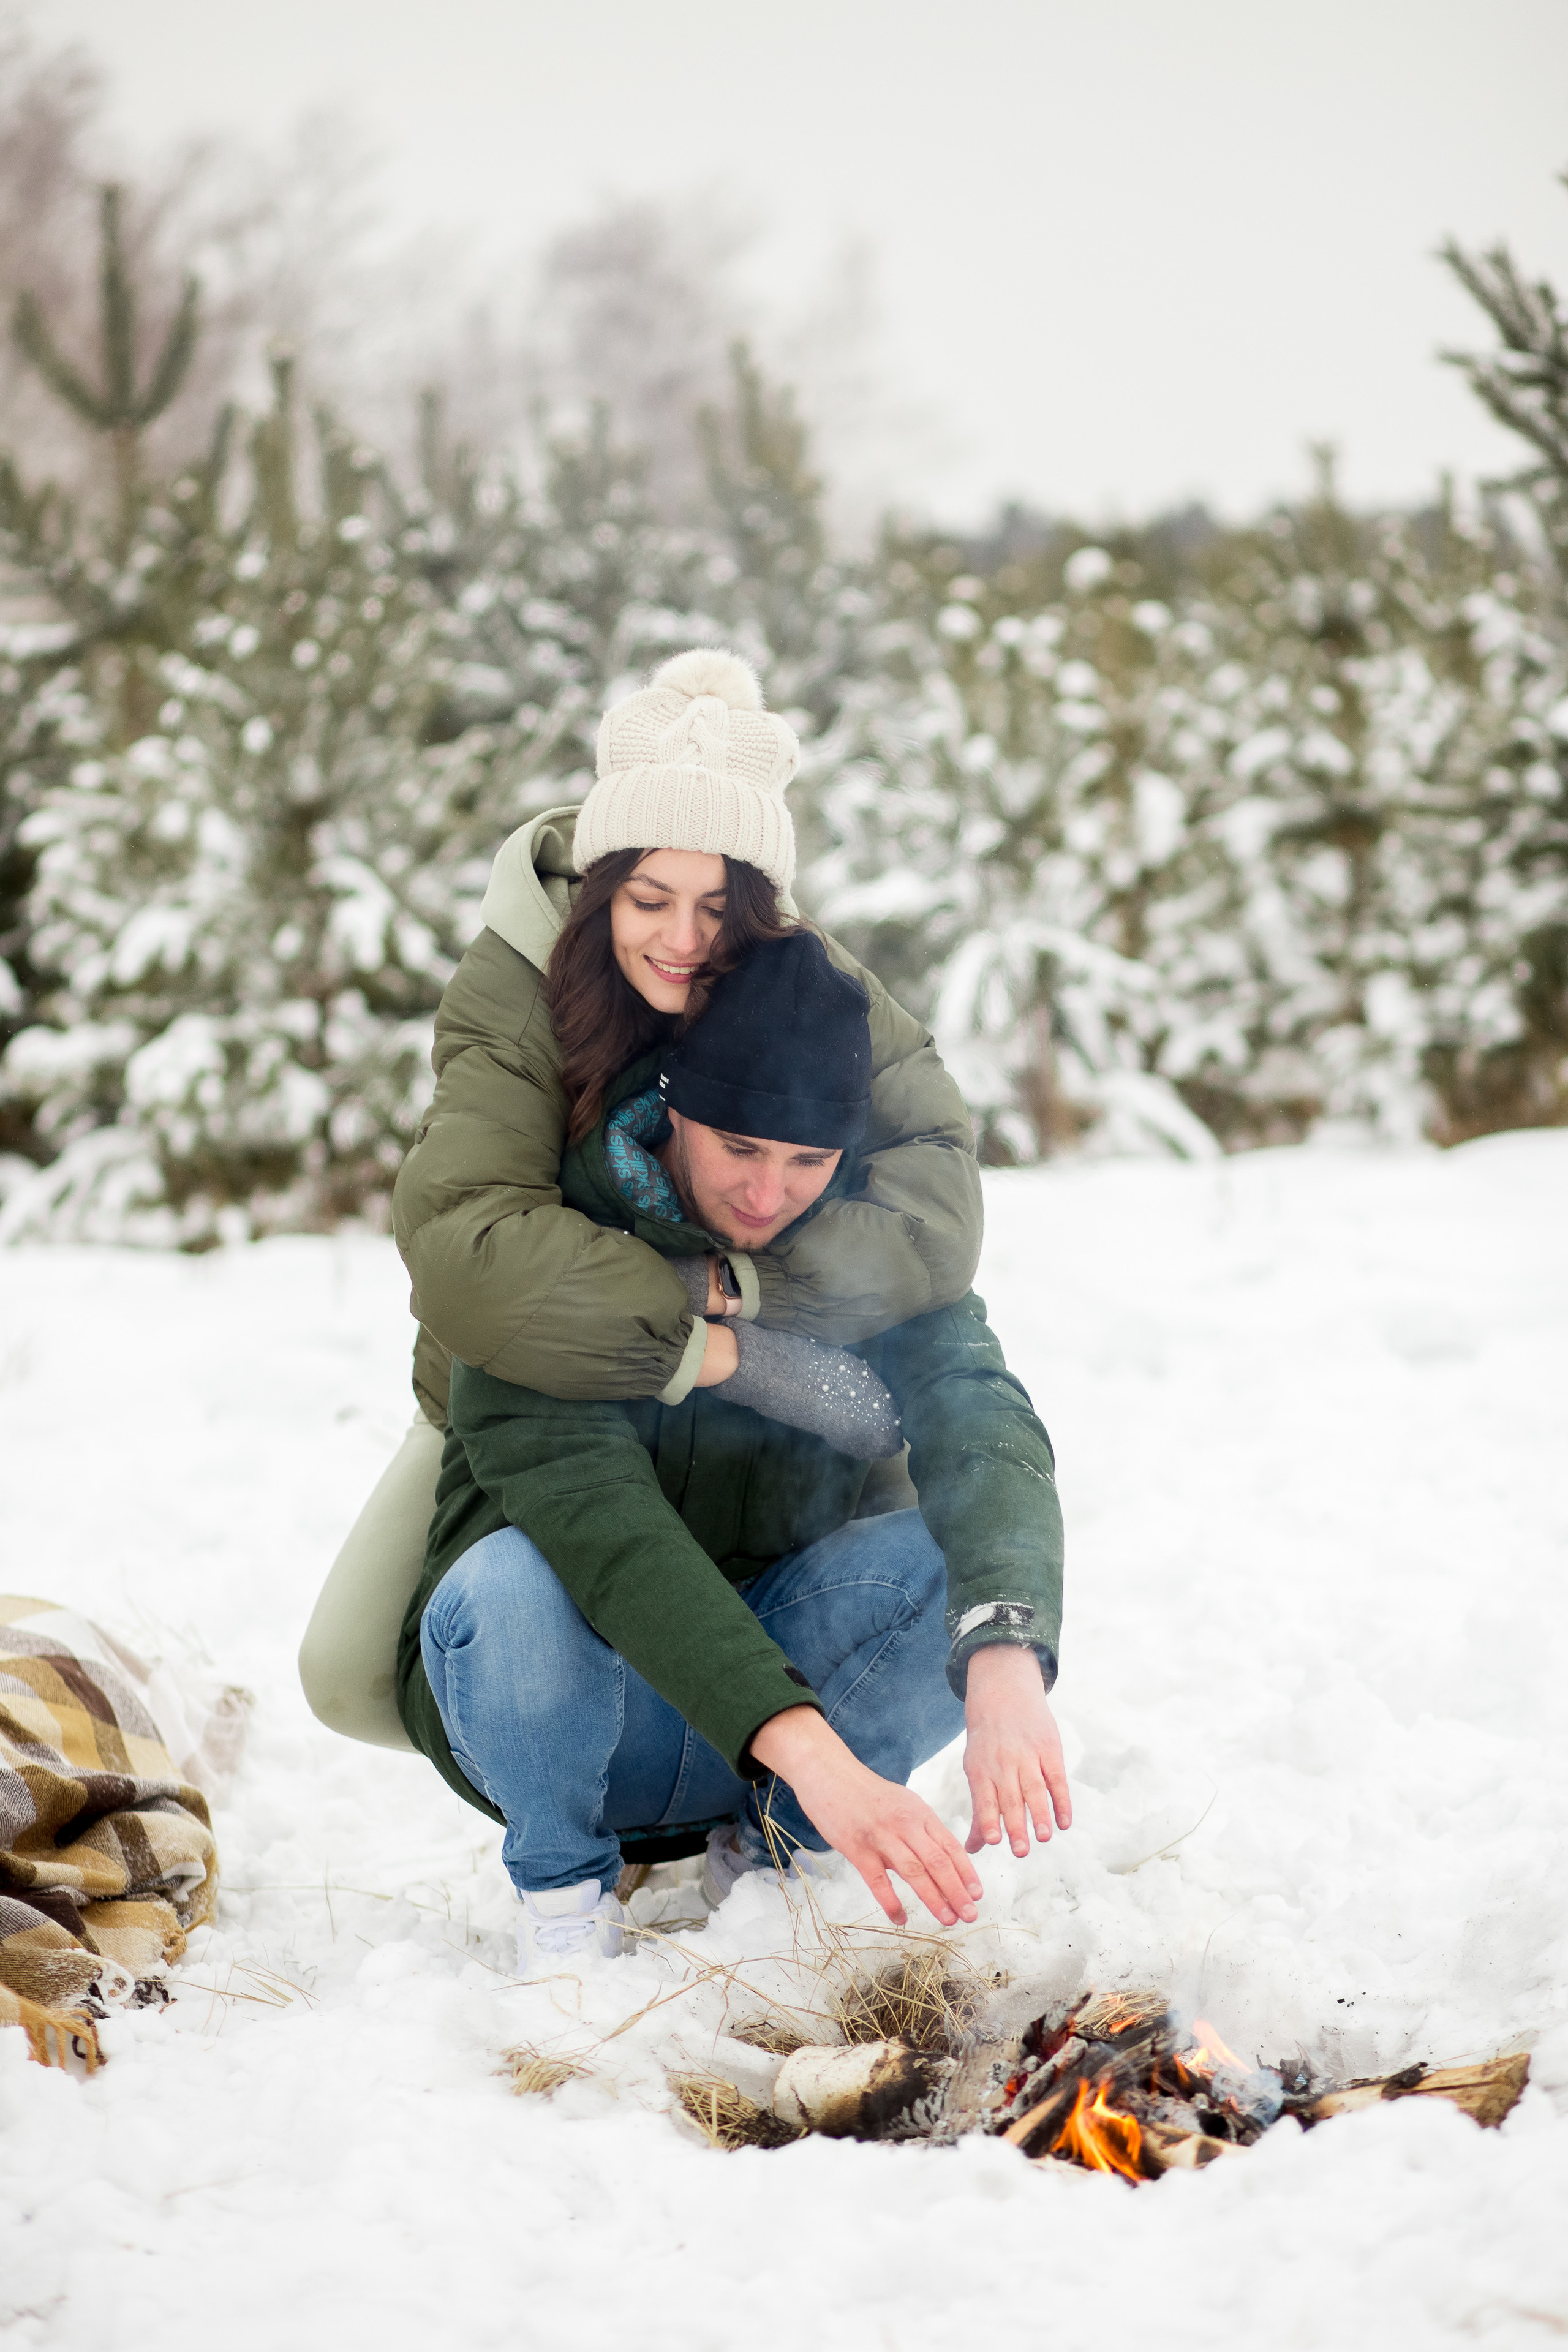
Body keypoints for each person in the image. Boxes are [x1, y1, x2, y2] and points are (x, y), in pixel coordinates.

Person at [300, 649, 983, 1746]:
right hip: (541, 1377)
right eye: (650, 898)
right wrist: (704, 1332)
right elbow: (469, 1246)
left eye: (718, 906)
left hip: (780, 1363)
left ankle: (766, 1794)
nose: (682, 938)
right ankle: (556, 1757)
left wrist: (750, 1286)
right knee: (345, 1676)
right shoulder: (518, 982)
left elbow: (939, 1187)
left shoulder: (801, 972)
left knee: (904, 1545)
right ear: (601, 884)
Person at [398, 927, 1069, 1973]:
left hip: (758, 1705)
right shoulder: (544, 1254)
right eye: (740, 1150)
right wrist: (817, 1755)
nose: (769, 1194)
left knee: (964, 1564)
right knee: (510, 1582)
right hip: (559, 1706)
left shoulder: (865, 1252)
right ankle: (566, 1893)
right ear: (672, 1109)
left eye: (809, 1161)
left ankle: (772, 1864)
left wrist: (1005, 1653)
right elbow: (611, 1540)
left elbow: (982, 1418)